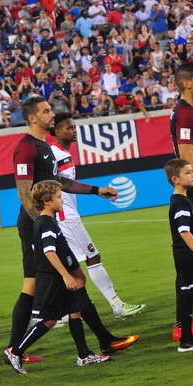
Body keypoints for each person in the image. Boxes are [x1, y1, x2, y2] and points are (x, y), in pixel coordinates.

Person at [8, 96, 139, 362]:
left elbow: (59, 183)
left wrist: (96, 191)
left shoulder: (44, 146)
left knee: (33, 286)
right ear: (32, 118)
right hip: (37, 225)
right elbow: (24, 193)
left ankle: (16, 349)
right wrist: (44, 226)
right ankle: (102, 341)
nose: (51, 115)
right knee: (74, 281)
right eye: (45, 112)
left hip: (42, 224)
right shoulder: (26, 148)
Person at [4, 181, 111, 374]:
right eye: (59, 197)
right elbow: (49, 251)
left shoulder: (47, 221)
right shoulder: (46, 223)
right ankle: (15, 351)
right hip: (53, 279)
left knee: (75, 310)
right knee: (49, 321)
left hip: (57, 276)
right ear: (47, 201)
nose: (62, 201)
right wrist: (65, 275)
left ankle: (84, 355)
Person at [50, 113, 146, 319]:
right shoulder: (54, 154)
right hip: (66, 217)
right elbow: (62, 184)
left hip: (65, 215)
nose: (74, 130)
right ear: (57, 131)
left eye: (75, 127)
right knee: (92, 257)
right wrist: (97, 189)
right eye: (69, 128)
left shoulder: (62, 153)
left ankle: (56, 313)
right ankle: (116, 304)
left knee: (69, 264)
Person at [170, 62, 193, 340]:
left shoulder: (189, 110)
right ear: (188, 83)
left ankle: (183, 325)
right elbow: (187, 157)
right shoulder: (187, 114)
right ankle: (183, 327)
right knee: (190, 263)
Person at [165, 158, 193, 352]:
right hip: (188, 256)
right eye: (188, 173)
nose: (192, 174)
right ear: (176, 179)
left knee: (187, 295)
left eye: (192, 171)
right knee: (187, 295)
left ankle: (186, 339)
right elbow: (184, 231)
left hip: (186, 255)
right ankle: (186, 340)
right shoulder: (180, 202)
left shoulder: (183, 200)